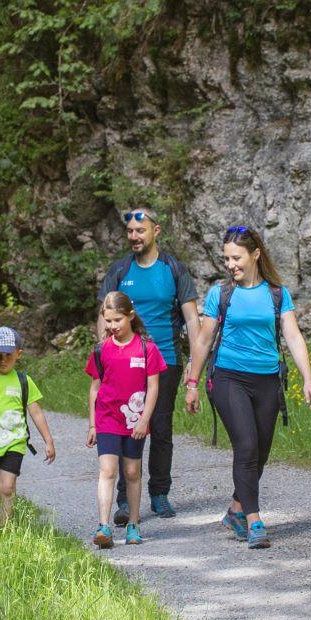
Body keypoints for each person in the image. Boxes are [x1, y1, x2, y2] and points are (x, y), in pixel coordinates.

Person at [183, 224, 311, 549]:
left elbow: (293, 336)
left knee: (260, 451)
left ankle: (235, 509)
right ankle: (254, 521)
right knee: (246, 446)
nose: (231, 265)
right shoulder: (221, 294)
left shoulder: (276, 293)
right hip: (229, 378)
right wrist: (192, 383)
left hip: (268, 380)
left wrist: (307, 377)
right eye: (226, 259)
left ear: (255, 254)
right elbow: (203, 340)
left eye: (236, 258)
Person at [98, 206, 199, 524]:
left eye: (140, 231)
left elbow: (192, 319)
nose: (134, 236)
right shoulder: (119, 271)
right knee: (127, 428)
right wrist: (104, 358)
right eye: (129, 231)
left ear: (156, 231)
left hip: (165, 360)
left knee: (161, 428)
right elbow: (104, 318)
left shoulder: (173, 269)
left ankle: (159, 493)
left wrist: (195, 366)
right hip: (124, 365)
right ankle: (126, 501)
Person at [85, 292, 164, 548]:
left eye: (117, 320)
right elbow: (95, 388)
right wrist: (93, 424)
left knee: (131, 472)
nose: (112, 326)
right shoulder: (101, 350)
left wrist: (144, 420)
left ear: (130, 315)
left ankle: (133, 524)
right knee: (107, 470)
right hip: (107, 418)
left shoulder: (146, 348)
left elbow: (153, 387)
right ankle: (104, 526)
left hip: (134, 421)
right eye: (107, 321)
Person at [0, 326, 56, 524]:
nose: (3, 360)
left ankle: (7, 529)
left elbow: (36, 413)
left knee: (6, 487)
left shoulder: (24, 381)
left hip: (14, 443)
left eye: (8, 355)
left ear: (18, 354)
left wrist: (48, 440)